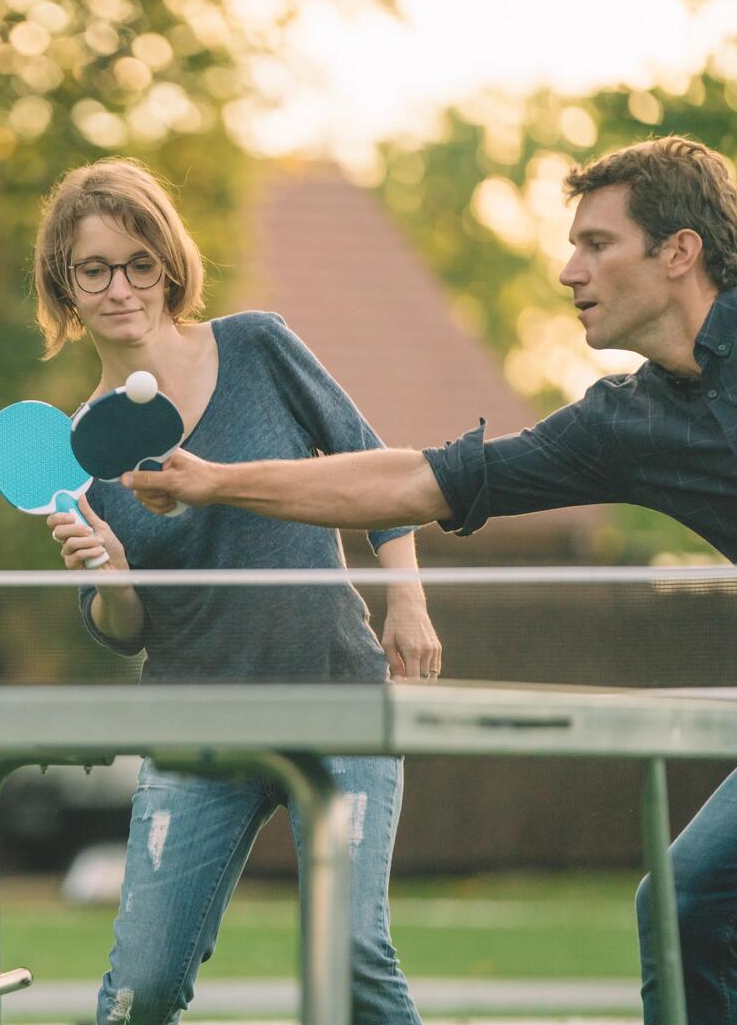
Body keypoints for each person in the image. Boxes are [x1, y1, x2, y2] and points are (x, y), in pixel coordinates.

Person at [120, 135, 737, 1024]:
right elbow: (416, 480)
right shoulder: (624, 427)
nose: (567, 268)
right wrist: (217, 480)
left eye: (596, 243)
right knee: (687, 906)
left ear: (679, 252)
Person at [33, 157, 440, 1025]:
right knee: (141, 989)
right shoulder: (75, 451)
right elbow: (126, 629)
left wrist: (407, 598)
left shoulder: (257, 346)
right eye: (92, 270)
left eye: (138, 262)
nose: (120, 288)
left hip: (338, 699)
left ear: (170, 265)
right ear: (65, 287)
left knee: (355, 958)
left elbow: (383, 474)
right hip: (197, 729)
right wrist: (110, 574)